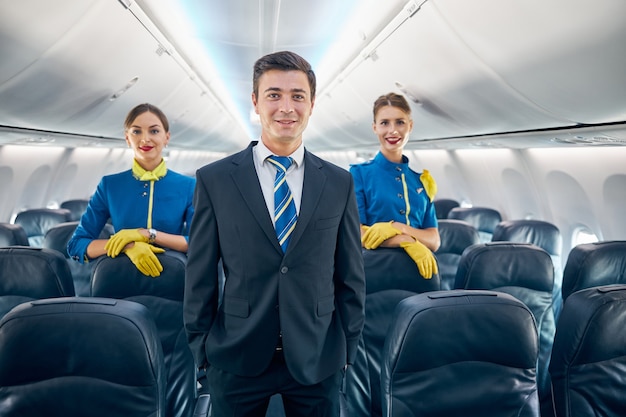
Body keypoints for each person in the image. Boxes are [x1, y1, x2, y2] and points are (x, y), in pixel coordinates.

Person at [184, 50, 366, 417]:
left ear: (312, 104)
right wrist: (203, 353)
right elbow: (200, 276)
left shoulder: (338, 182)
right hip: (236, 356)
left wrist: (345, 348)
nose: (286, 107)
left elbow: (351, 276)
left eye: (298, 96)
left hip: (317, 359)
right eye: (274, 95)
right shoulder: (215, 180)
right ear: (255, 102)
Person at [67, 103, 195, 277]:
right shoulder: (110, 185)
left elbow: (198, 242)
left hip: (171, 279)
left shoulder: (188, 186)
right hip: (120, 278)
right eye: (136, 131)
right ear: (127, 138)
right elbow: (76, 245)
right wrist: (128, 245)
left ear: (167, 137)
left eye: (154, 131)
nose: (145, 139)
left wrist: (148, 235)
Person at [349, 92, 440, 278]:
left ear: (410, 126)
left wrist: (400, 228)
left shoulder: (421, 181)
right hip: (373, 272)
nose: (393, 131)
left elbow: (434, 239)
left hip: (420, 273)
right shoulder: (359, 174)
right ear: (375, 128)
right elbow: (356, 231)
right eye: (384, 123)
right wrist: (406, 241)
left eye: (400, 122)